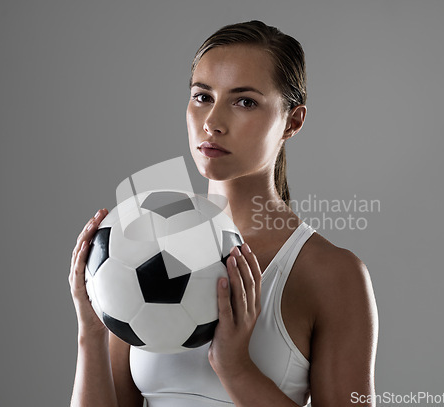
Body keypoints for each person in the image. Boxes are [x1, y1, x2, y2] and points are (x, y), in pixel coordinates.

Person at [69, 20, 378, 407]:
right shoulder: (140, 248)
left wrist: (235, 367)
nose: (212, 123)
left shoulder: (331, 274)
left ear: (293, 121)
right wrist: (90, 332)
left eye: (244, 101)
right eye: (202, 97)